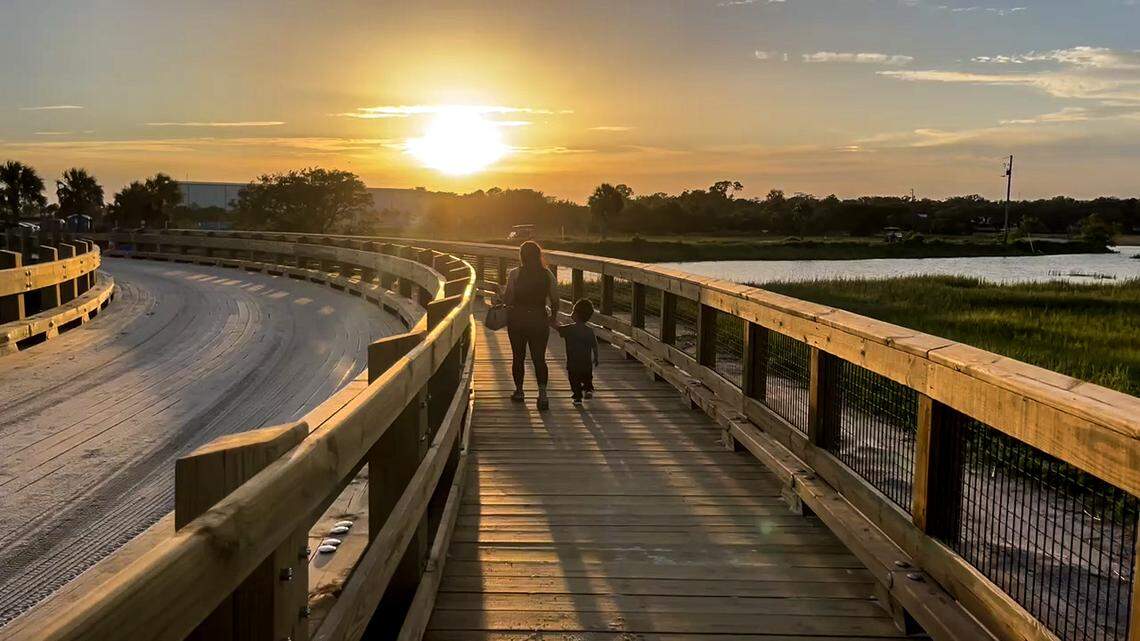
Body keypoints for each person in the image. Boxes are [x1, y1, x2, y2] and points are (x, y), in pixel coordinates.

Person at [501, 241, 558, 410]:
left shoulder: (515, 274)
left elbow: (508, 299)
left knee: (518, 357)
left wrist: (502, 300)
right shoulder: (547, 274)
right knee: (539, 358)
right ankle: (543, 395)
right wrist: (552, 318)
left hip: (517, 320)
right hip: (539, 320)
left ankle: (519, 392)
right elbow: (555, 300)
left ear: (522, 256)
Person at [556, 299, 599, 405]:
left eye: (573, 311)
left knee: (574, 380)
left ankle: (578, 397)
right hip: (586, 363)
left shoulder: (569, 329)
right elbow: (594, 345)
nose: (571, 314)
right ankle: (588, 389)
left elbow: (557, 327)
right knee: (587, 378)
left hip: (573, 363)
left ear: (577, 315)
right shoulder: (589, 331)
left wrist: (548, 318)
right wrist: (596, 357)